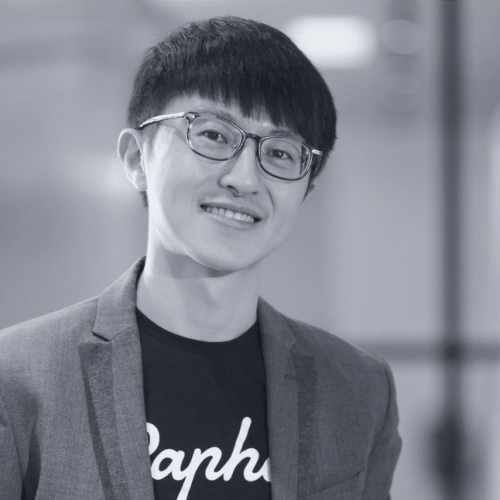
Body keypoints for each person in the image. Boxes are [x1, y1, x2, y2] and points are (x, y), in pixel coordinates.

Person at [0, 16, 401, 500]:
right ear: (137, 159)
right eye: (213, 135)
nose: (244, 179)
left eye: (280, 153)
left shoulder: (360, 390)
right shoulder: (18, 377)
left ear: (305, 191)